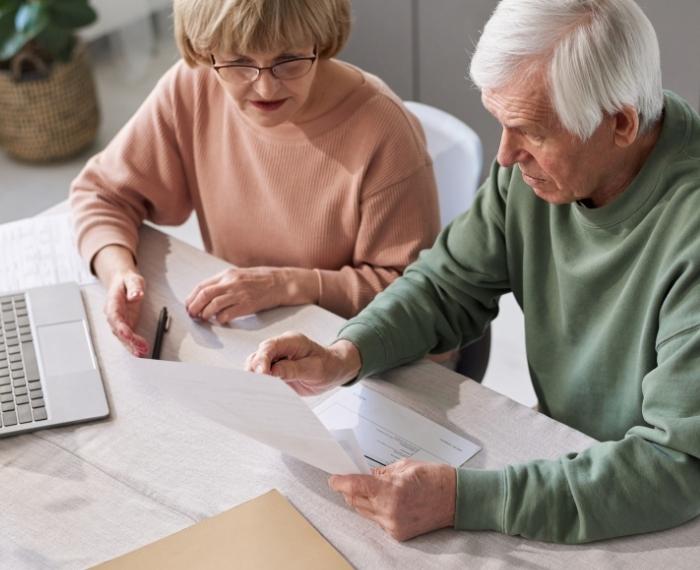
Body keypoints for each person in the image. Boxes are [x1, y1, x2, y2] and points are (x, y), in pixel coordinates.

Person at [246, 0, 700, 544]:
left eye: (529, 132)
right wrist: (347, 353)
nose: (505, 156)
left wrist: (464, 499)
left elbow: (676, 466)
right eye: (500, 123)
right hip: (570, 457)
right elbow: (447, 284)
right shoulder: (541, 172)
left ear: (621, 122)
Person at [70, 0, 440, 357]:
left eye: (288, 60)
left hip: (353, 350)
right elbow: (102, 193)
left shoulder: (384, 131)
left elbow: (413, 292)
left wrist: (287, 284)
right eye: (239, 62)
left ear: (320, 39)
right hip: (245, 337)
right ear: (205, 50)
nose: (265, 88)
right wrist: (119, 272)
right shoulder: (195, 84)